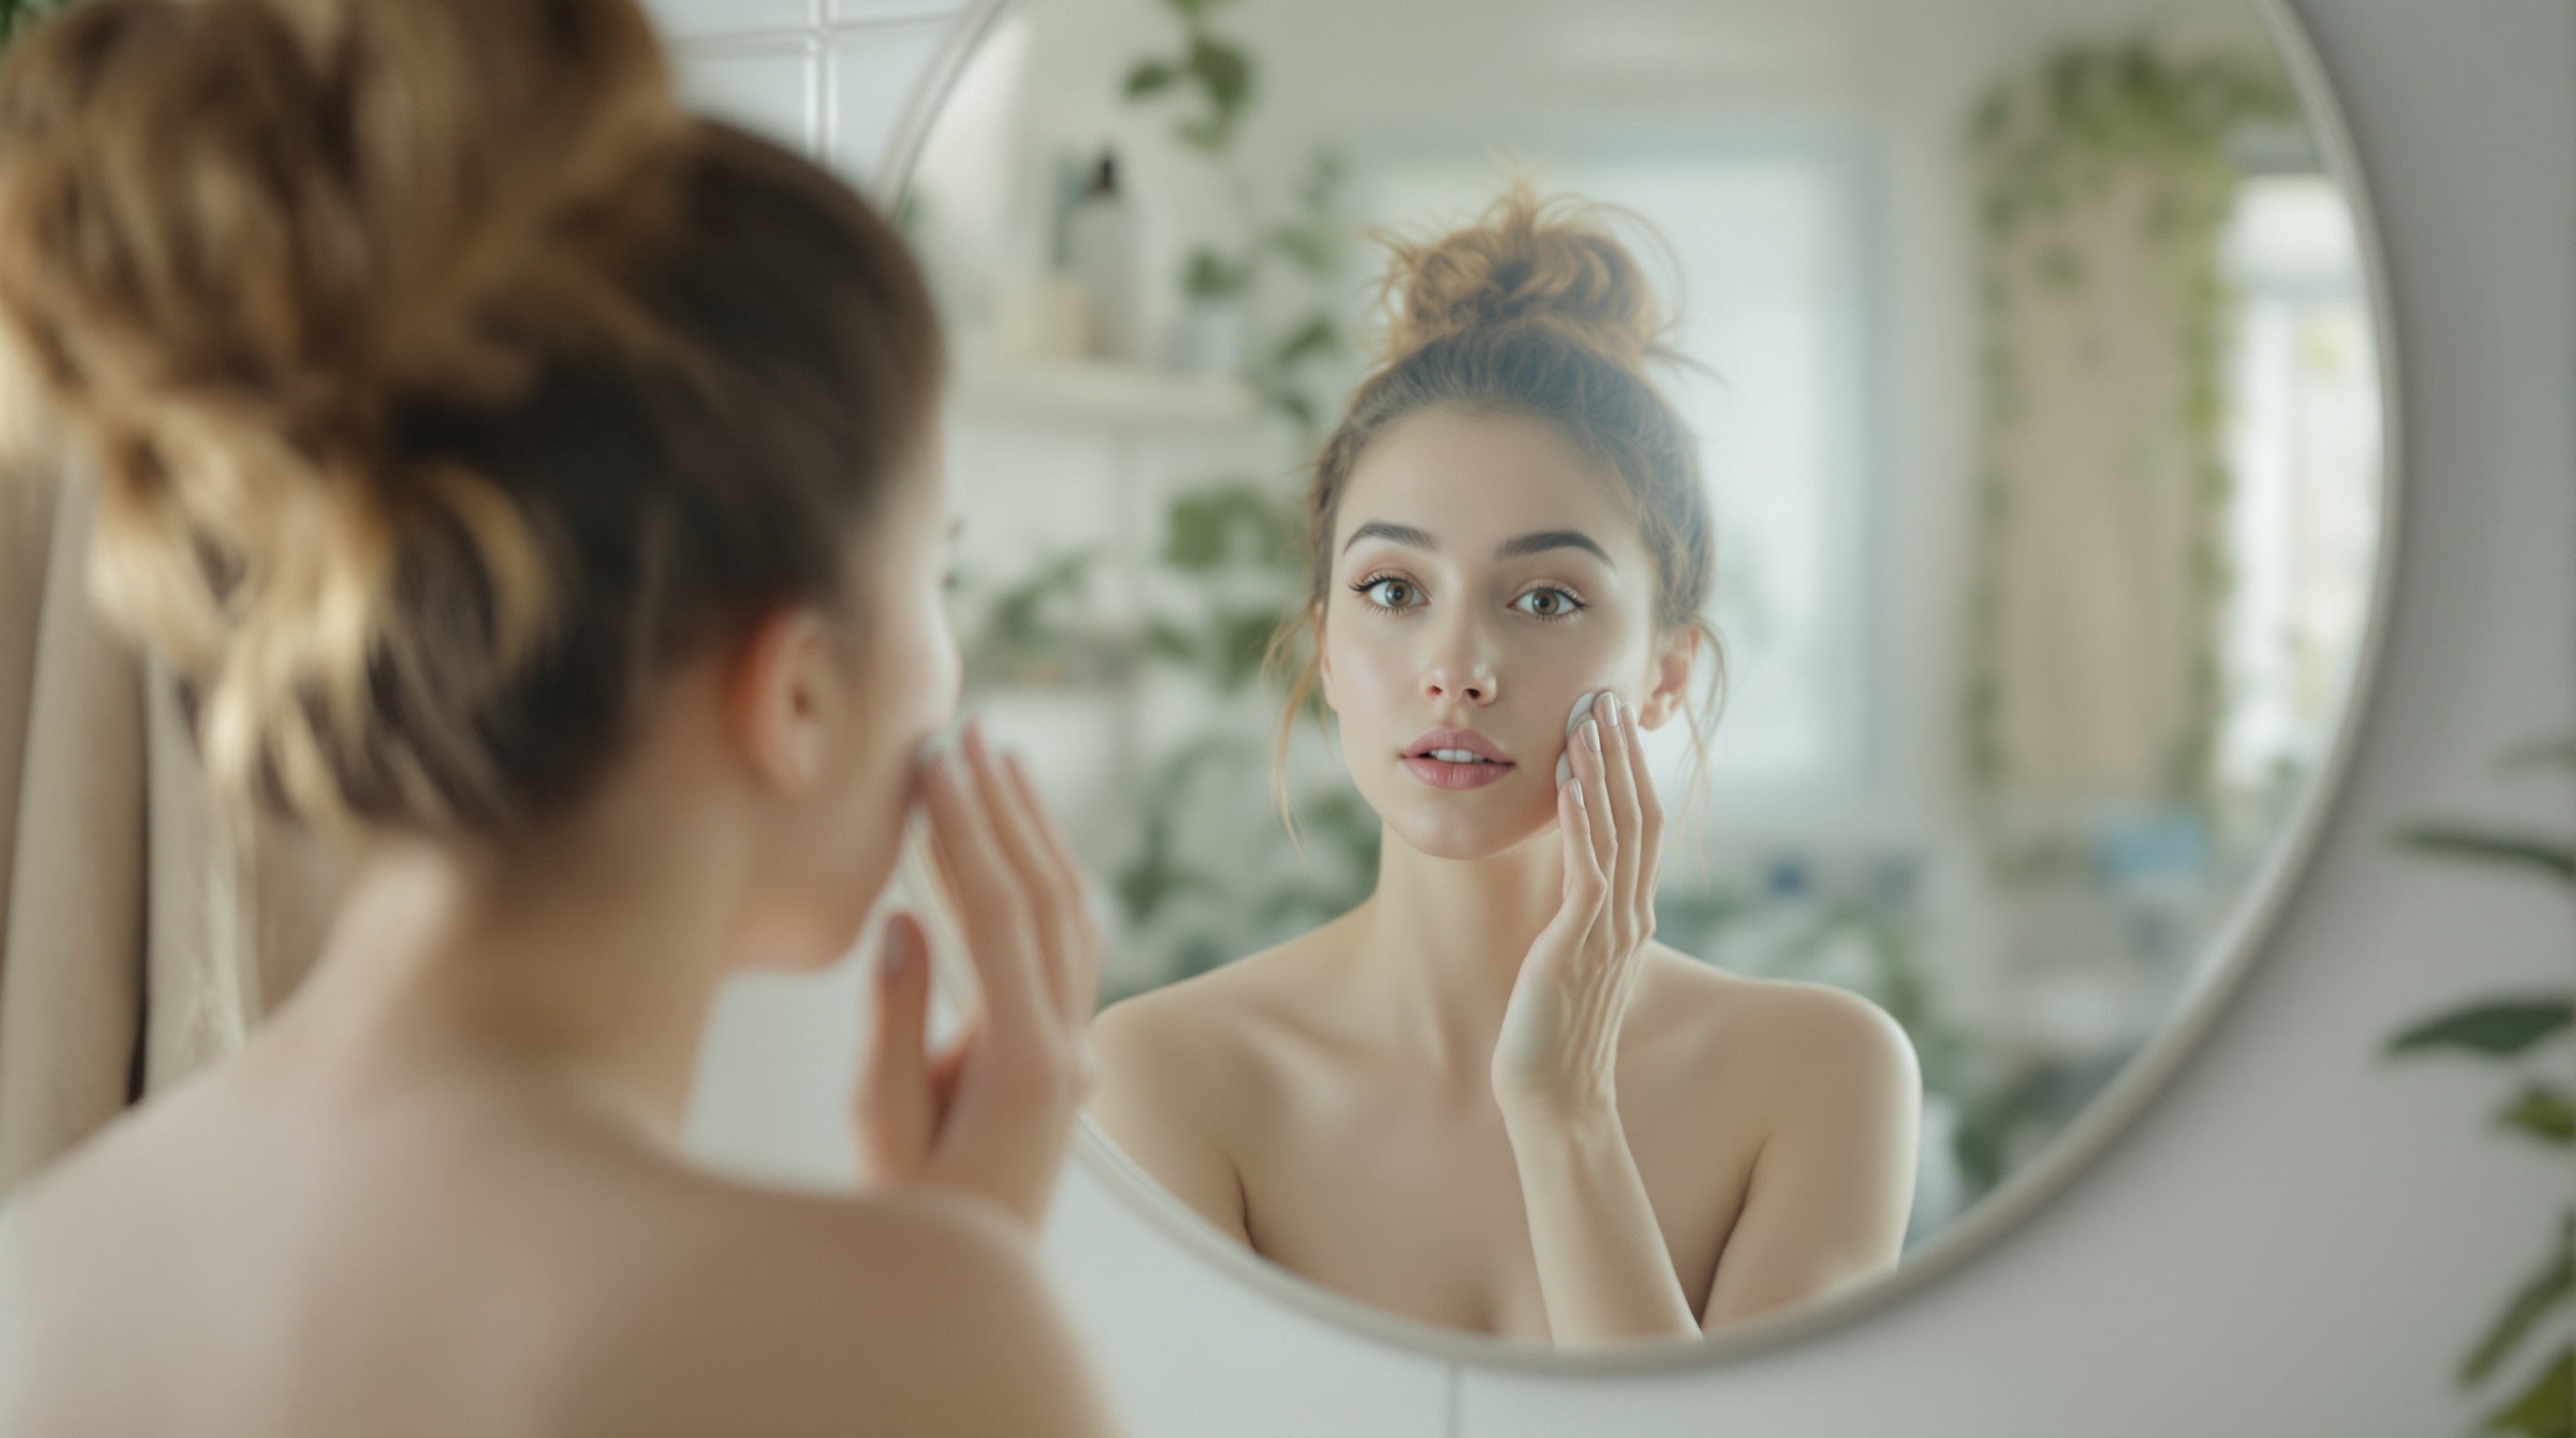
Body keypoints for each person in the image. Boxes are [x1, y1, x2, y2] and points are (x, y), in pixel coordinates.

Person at [0, 0, 1114, 1433]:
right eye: (938, 573)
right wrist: (951, 1276)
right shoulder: (900, 1339)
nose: (951, 671)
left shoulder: (44, 1277)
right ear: (798, 687)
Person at [1090, 186, 1922, 1347]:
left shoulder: (1820, 1076)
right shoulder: (1163, 1076)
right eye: (1392, 590)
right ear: (1325, 643)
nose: (1458, 668)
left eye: (1544, 598)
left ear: (1666, 674)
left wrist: (1565, 1115)